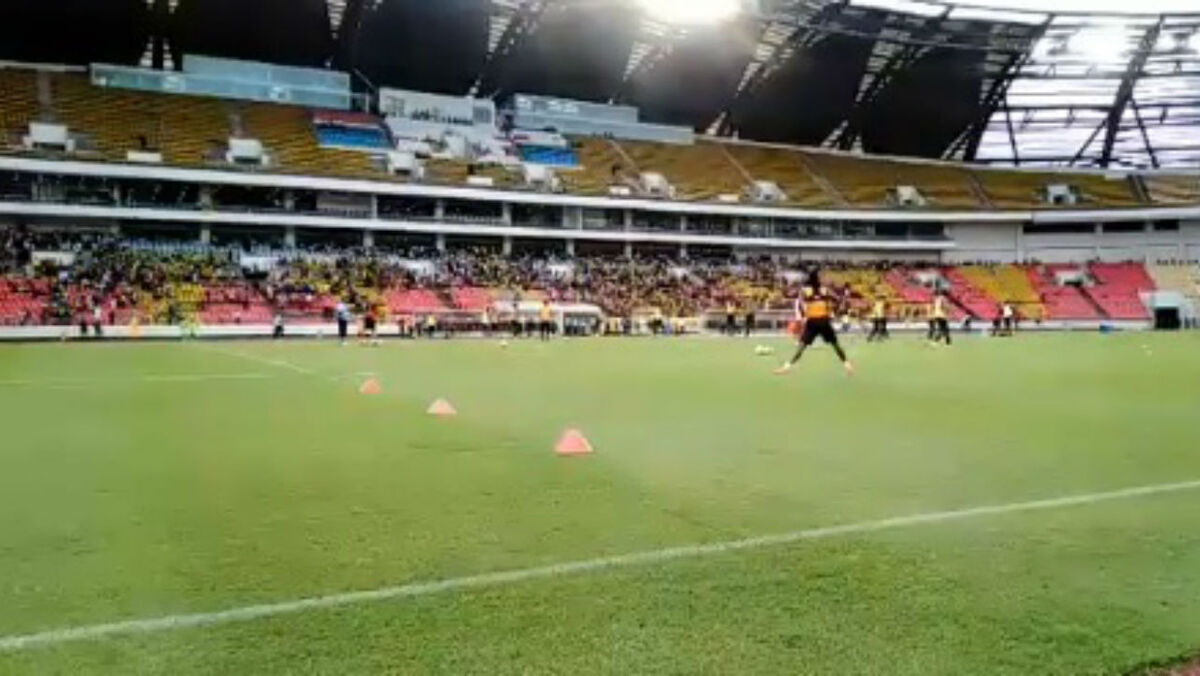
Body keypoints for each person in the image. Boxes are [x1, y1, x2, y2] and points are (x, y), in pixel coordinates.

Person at [775, 271, 854, 376]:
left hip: (812, 322)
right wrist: (833, 310)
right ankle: (847, 364)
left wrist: (784, 286)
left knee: (801, 347)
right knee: (835, 345)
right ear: (818, 279)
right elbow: (838, 299)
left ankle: (787, 367)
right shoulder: (825, 290)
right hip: (824, 321)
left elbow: (791, 296)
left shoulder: (805, 291)